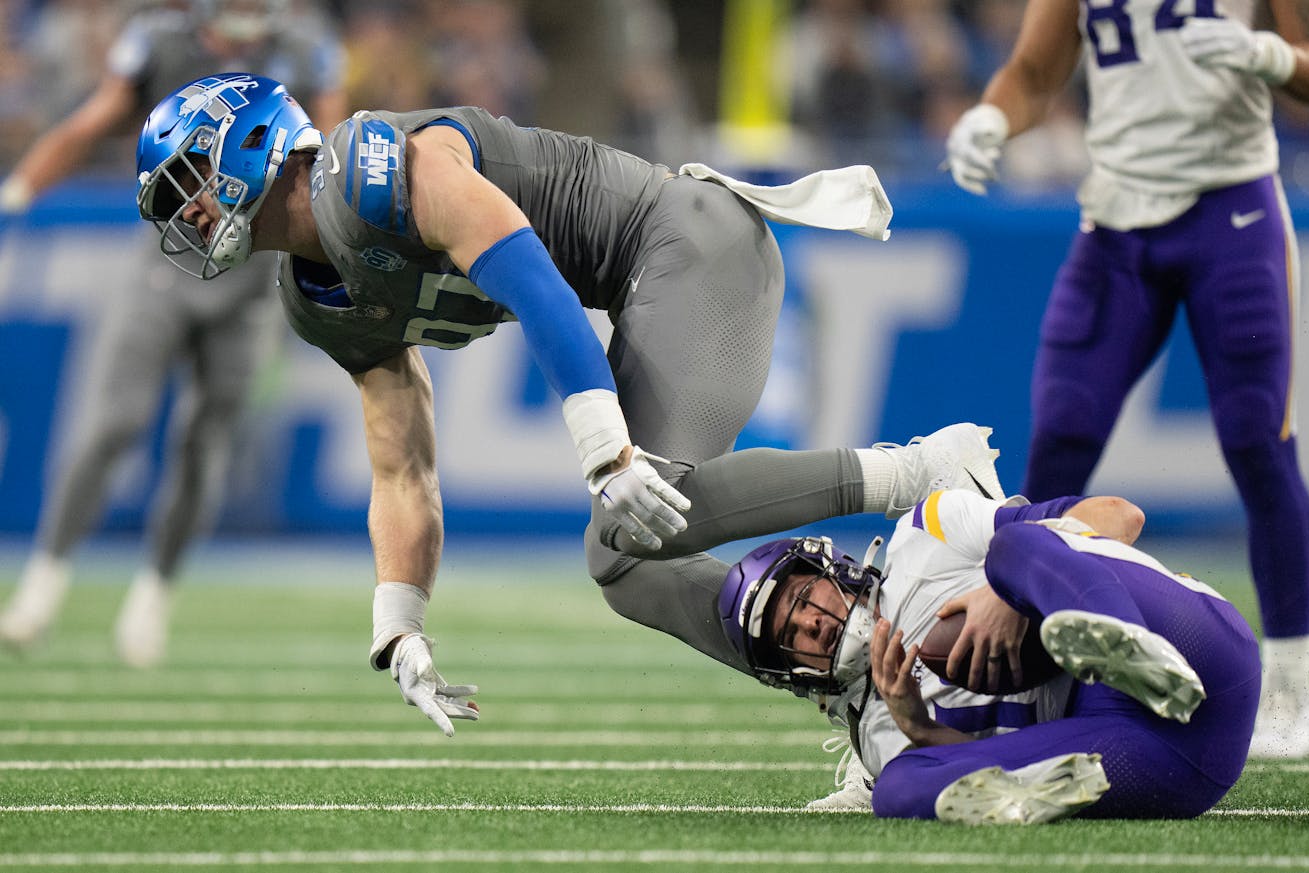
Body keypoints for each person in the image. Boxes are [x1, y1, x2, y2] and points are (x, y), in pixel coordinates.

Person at [127, 72, 1012, 743]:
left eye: (188, 182)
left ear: (245, 148)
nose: (187, 214)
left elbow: (528, 274)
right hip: (644, 287)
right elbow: (403, 462)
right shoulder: (314, 294)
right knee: (627, 565)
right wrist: (399, 623)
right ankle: (862, 685)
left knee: (632, 526)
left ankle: (921, 469)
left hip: (686, 240)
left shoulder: (366, 171)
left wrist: (607, 450)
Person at [941, 0, 1309, 759]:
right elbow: (1036, 71)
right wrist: (993, 117)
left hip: (1232, 210)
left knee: (1258, 439)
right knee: (1061, 435)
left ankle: (1292, 685)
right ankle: (1018, 666)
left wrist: (1265, 55)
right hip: (1118, 220)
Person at [0, 0, 346, 668]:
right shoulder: (160, 40)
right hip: (165, 262)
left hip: (253, 279)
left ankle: (152, 598)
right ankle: (41, 588)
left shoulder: (306, 49)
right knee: (111, 422)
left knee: (204, 445)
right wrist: (21, 188)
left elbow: (327, 160)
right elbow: (91, 123)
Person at [719, 488, 1260, 823]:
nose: (810, 622)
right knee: (898, 788)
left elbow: (1121, 517)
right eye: (790, 635)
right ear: (793, 674)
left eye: (801, 597)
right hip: (1174, 755)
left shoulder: (924, 535)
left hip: (1197, 650)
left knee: (1016, 545)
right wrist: (919, 728)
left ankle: (1119, 638)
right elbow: (980, 768)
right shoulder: (879, 734)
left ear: (826, 568)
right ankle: (1042, 797)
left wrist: (1010, 593)